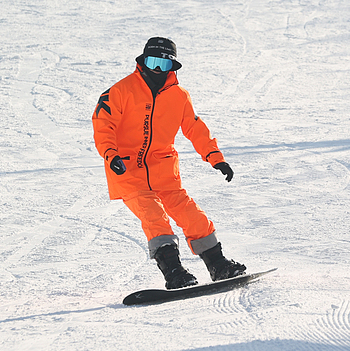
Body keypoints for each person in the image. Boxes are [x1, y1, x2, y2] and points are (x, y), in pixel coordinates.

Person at [91, 37, 247, 289]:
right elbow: (103, 125)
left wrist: (215, 158)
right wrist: (111, 155)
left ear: (172, 67)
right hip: (127, 170)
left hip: (164, 172)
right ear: (142, 62)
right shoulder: (119, 92)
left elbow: (195, 129)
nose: (157, 69)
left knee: (192, 216)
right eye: (153, 62)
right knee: (155, 217)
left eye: (164, 64)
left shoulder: (179, 96)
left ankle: (219, 266)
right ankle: (174, 271)